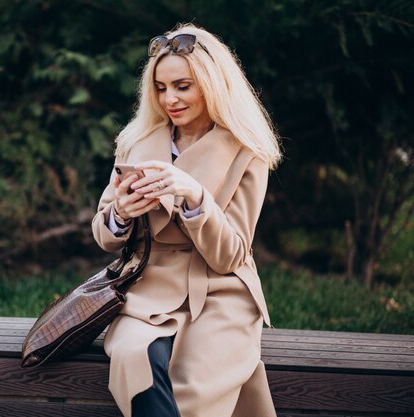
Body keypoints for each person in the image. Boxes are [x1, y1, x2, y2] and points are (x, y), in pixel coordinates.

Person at [91, 23, 282, 417]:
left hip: (220, 292)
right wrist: (121, 215)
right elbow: (102, 232)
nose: (170, 99)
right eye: (161, 88)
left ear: (211, 85)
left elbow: (231, 255)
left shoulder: (248, 152)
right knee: (134, 356)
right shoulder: (136, 142)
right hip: (146, 287)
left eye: (183, 86)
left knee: (195, 391)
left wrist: (195, 197)